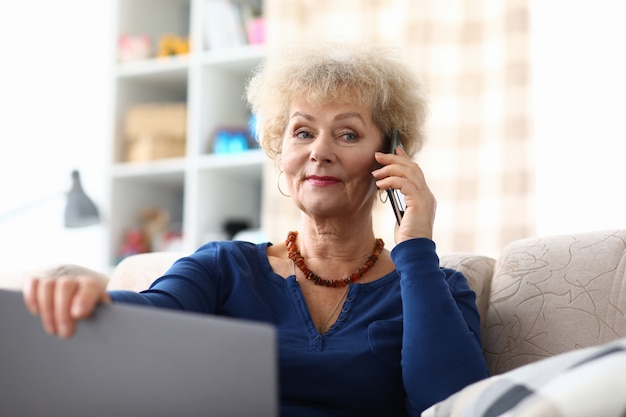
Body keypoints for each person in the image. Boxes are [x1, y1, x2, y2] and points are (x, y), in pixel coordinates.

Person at [23, 42, 489, 416]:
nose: (319, 152)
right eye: (302, 132)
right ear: (279, 150)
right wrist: (96, 300)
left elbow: (450, 405)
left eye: (347, 134)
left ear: (391, 158)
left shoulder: (437, 288)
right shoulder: (223, 267)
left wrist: (417, 248)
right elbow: (148, 318)